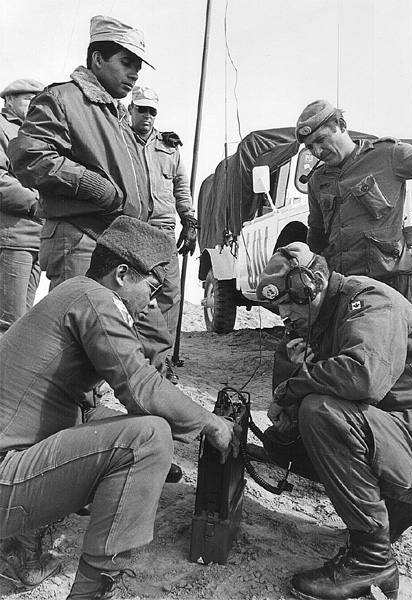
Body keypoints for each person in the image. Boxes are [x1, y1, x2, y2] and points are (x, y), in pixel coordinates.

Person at [0, 216, 238, 599]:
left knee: (114, 424)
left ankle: (22, 553)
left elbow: (87, 408)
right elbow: (141, 387)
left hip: (10, 460)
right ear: (123, 274)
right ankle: (92, 591)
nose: (151, 304)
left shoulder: (74, 293)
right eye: (152, 288)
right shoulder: (96, 299)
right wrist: (211, 423)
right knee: (149, 437)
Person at [252, 242, 412, 600]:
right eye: (278, 308)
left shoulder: (368, 300)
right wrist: (293, 376)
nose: (284, 314)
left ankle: (373, 562)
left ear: (315, 282)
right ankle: (403, 505)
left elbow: (362, 378)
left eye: (289, 303)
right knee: (284, 440)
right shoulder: (326, 318)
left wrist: (293, 387)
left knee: (322, 413)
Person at [8, 15, 174, 376]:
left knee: (151, 337)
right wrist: (95, 187)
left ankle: (158, 421)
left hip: (118, 242)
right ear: (98, 59)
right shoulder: (63, 99)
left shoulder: (116, 114)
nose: (134, 74)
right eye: (126, 63)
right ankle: (66, 428)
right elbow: (29, 156)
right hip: (79, 237)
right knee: (77, 349)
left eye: (138, 67)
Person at [295, 99, 412, 305]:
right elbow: (317, 235)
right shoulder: (317, 180)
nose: (317, 151)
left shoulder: (388, 155)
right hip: (346, 285)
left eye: (321, 140)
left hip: (391, 280)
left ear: (342, 125)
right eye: (310, 147)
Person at [129, 85, 198, 384]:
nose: (147, 116)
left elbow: (181, 187)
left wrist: (190, 221)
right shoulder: (117, 138)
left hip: (163, 230)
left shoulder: (170, 147)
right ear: (131, 109)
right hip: (130, 229)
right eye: (141, 109)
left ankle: (163, 361)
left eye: (152, 111)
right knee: (131, 293)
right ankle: (129, 359)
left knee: (170, 294)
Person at [0, 78, 44, 335]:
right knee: (9, 322)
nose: (34, 104)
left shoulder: (36, 132)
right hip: (12, 237)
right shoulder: (3, 127)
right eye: (28, 98)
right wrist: (36, 203)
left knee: (23, 323)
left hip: (36, 238)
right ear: (8, 100)